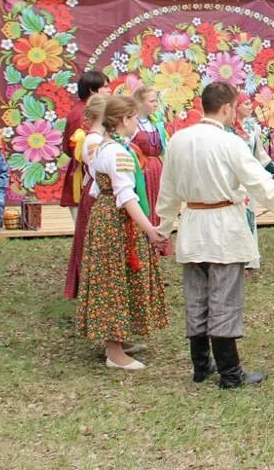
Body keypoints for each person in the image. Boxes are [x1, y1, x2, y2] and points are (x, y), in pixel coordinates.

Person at [156, 82, 274, 387]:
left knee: (197, 297)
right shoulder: (230, 143)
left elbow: (169, 192)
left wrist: (163, 229)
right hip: (223, 229)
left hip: (192, 227)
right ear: (227, 108)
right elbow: (264, 187)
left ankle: (201, 366)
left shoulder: (178, 140)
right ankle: (230, 373)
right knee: (224, 298)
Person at [76, 96, 169, 370]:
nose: (136, 122)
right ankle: (114, 352)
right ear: (122, 120)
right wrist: (150, 230)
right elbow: (126, 196)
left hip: (107, 218)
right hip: (117, 223)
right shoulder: (116, 152)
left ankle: (118, 340)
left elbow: (95, 187)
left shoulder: (106, 147)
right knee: (113, 278)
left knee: (117, 276)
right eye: (132, 117)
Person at [64, 94, 108, 298]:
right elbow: (97, 169)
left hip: (97, 191)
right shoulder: (93, 139)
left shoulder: (99, 138)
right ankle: (92, 287)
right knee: (92, 242)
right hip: (96, 193)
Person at [232, 93, 274, 269]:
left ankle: (248, 258)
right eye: (246, 103)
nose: (250, 106)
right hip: (233, 181)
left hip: (247, 180)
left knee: (248, 216)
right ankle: (234, 258)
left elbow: (260, 153)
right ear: (236, 107)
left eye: (250, 103)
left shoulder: (252, 127)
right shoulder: (226, 129)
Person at [61, 70, 110, 219]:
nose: (110, 90)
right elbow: (74, 150)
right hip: (84, 175)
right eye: (106, 86)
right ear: (92, 90)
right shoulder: (82, 115)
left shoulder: (82, 111)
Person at [132, 85, 172, 257]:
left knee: (157, 205)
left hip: (156, 168)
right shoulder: (132, 124)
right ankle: (142, 242)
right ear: (140, 102)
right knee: (144, 203)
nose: (156, 104)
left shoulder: (156, 123)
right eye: (152, 101)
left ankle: (156, 246)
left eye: (156, 100)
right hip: (140, 169)